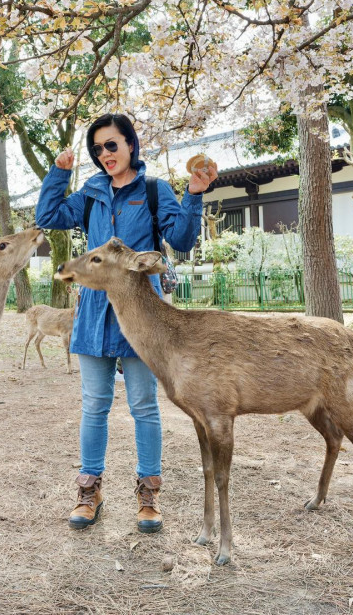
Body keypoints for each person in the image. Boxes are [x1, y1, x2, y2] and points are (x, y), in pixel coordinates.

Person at [35, 113, 217, 533]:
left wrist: (193, 195)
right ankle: (89, 490)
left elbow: (184, 240)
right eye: (97, 149)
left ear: (130, 145)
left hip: (142, 319)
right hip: (94, 316)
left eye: (111, 145)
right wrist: (57, 174)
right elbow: (49, 214)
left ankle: (149, 494)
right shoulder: (90, 193)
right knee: (94, 406)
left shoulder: (154, 191)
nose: (104, 154)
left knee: (143, 406)